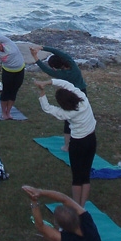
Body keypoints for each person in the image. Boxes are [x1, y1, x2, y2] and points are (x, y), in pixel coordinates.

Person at [35, 78, 97, 206]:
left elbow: (47, 108)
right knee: (85, 176)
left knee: (77, 178)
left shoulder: (66, 113)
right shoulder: (83, 98)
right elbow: (66, 84)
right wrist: (47, 82)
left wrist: (42, 91)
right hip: (91, 140)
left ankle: (76, 206)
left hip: (78, 144)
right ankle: (82, 207)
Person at [30, 44, 87, 151]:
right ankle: (81, 139)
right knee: (82, 116)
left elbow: (45, 69)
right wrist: (41, 47)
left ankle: (67, 146)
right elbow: (58, 52)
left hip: (70, 96)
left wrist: (35, 57)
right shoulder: (72, 65)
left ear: (54, 67)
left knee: (69, 119)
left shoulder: (61, 75)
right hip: (83, 93)